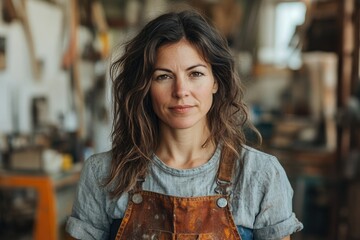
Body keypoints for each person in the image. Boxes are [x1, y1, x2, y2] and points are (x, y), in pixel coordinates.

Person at [66, 9, 303, 240]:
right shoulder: (104, 174)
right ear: (145, 87)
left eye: (195, 74)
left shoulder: (260, 174)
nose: (181, 91)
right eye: (163, 76)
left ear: (215, 82)